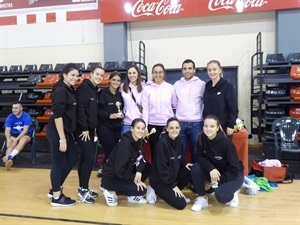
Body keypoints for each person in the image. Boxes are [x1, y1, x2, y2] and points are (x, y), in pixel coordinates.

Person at [190, 115, 244, 212]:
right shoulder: (201, 138)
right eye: (205, 126)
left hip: (233, 174)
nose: (208, 129)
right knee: (195, 168)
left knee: (221, 197)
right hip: (215, 171)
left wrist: (218, 181)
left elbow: (235, 169)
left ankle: (234, 191)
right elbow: (198, 157)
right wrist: (211, 168)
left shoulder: (226, 143)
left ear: (218, 128)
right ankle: (202, 198)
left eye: (212, 126)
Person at [46, 63, 79, 207]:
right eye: (72, 75)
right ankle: (56, 198)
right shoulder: (60, 90)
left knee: (72, 158)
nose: (75, 78)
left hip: (65, 131)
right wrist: (62, 139)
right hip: (57, 132)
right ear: (64, 75)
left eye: (77, 76)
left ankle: (55, 188)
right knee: (58, 162)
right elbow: (57, 116)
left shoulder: (69, 89)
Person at [101, 118, 151, 206]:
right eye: (138, 128)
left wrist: (139, 172)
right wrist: (134, 179)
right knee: (142, 190)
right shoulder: (125, 145)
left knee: (147, 168)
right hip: (112, 178)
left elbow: (142, 158)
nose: (141, 131)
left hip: (124, 172)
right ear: (132, 129)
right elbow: (119, 170)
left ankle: (131, 195)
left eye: (143, 128)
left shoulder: (139, 141)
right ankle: (109, 190)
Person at [75, 66, 105, 204]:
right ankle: (84, 190)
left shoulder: (95, 89)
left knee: (85, 158)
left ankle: (82, 187)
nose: (99, 77)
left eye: (101, 75)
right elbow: (80, 109)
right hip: (83, 130)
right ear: (91, 74)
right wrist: (85, 128)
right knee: (89, 158)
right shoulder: (84, 88)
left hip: (90, 130)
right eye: (97, 74)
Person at [148, 117, 192, 210]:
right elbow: (162, 169)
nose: (174, 130)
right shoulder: (162, 143)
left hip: (171, 175)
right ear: (167, 129)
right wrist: (173, 186)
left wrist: (185, 164)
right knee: (181, 204)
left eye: (177, 127)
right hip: (159, 180)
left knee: (191, 170)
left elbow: (180, 156)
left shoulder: (179, 141)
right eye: (171, 128)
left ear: (180, 128)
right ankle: (153, 189)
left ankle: (175, 192)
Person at [142, 63, 176, 162]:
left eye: (160, 72)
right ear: (152, 74)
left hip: (167, 125)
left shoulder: (170, 87)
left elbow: (175, 104)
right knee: (155, 150)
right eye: (155, 72)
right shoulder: (147, 89)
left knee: (168, 150)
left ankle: (169, 172)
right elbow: (145, 109)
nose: (158, 74)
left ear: (164, 73)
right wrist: (145, 126)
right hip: (153, 124)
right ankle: (156, 173)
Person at [173, 59, 206, 163]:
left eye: (190, 68)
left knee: (197, 151)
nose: (187, 71)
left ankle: (196, 175)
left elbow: (205, 102)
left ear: (194, 70)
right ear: (182, 70)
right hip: (180, 123)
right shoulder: (176, 85)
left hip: (196, 123)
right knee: (179, 151)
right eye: (185, 68)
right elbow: (174, 103)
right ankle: (180, 175)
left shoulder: (201, 84)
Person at [97, 71, 124, 176]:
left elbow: (122, 110)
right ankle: (107, 173)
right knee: (110, 151)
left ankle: (106, 170)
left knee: (115, 151)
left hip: (117, 127)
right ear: (109, 80)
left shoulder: (120, 95)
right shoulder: (103, 93)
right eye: (114, 80)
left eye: (118, 80)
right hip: (105, 127)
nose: (116, 82)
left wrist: (122, 115)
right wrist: (109, 115)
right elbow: (98, 111)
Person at [203, 60, 239, 138]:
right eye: (209, 70)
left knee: (223, 149)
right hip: (209, 127)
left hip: (223, 126)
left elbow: (233, 108)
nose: (212, 72)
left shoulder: (227, 86)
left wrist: (231, 124)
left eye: (214, 69)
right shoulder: (207, 87)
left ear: (220, 70)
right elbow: (206, 106)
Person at [2, 102, 33, 171]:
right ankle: (7, 162)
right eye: (13, 108)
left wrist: (16, 139)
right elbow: (7, 130)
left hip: (25, 134)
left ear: (21, 108)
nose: (14, 110)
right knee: (10, 145)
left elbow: (25, 130)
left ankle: (9, 156)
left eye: (16, 108)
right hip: (13, 135)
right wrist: (8, 138)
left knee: (23, 140)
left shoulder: (26, 116)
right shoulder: (10, 117)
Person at [121, 64, 144, 134]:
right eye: (129, 73)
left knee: (139, 144)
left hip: (139, 123)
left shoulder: (144, 87)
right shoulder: (122, 87)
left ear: (138, 74)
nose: (132, 75)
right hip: (127, 123)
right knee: (126, 144)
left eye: (134, 73)